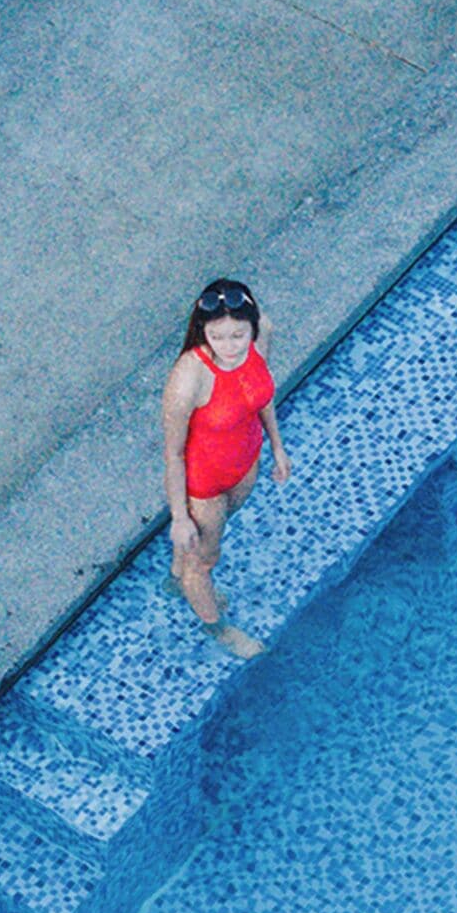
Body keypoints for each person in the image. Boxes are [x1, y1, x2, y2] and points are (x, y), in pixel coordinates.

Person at [161, 277, 288, 658]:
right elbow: (173, 454)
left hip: (245, 461)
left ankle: (175, 577)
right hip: (206, 483)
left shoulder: (262, 332)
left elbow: (261, 392)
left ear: (251, 325)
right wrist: (180, 516)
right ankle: (217, 629)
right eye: (218, 337)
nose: (230, 347)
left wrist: (278, 447)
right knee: (204, 560)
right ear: (203, 332)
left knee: (199, 550)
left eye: (238, 335)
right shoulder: (188, 378)